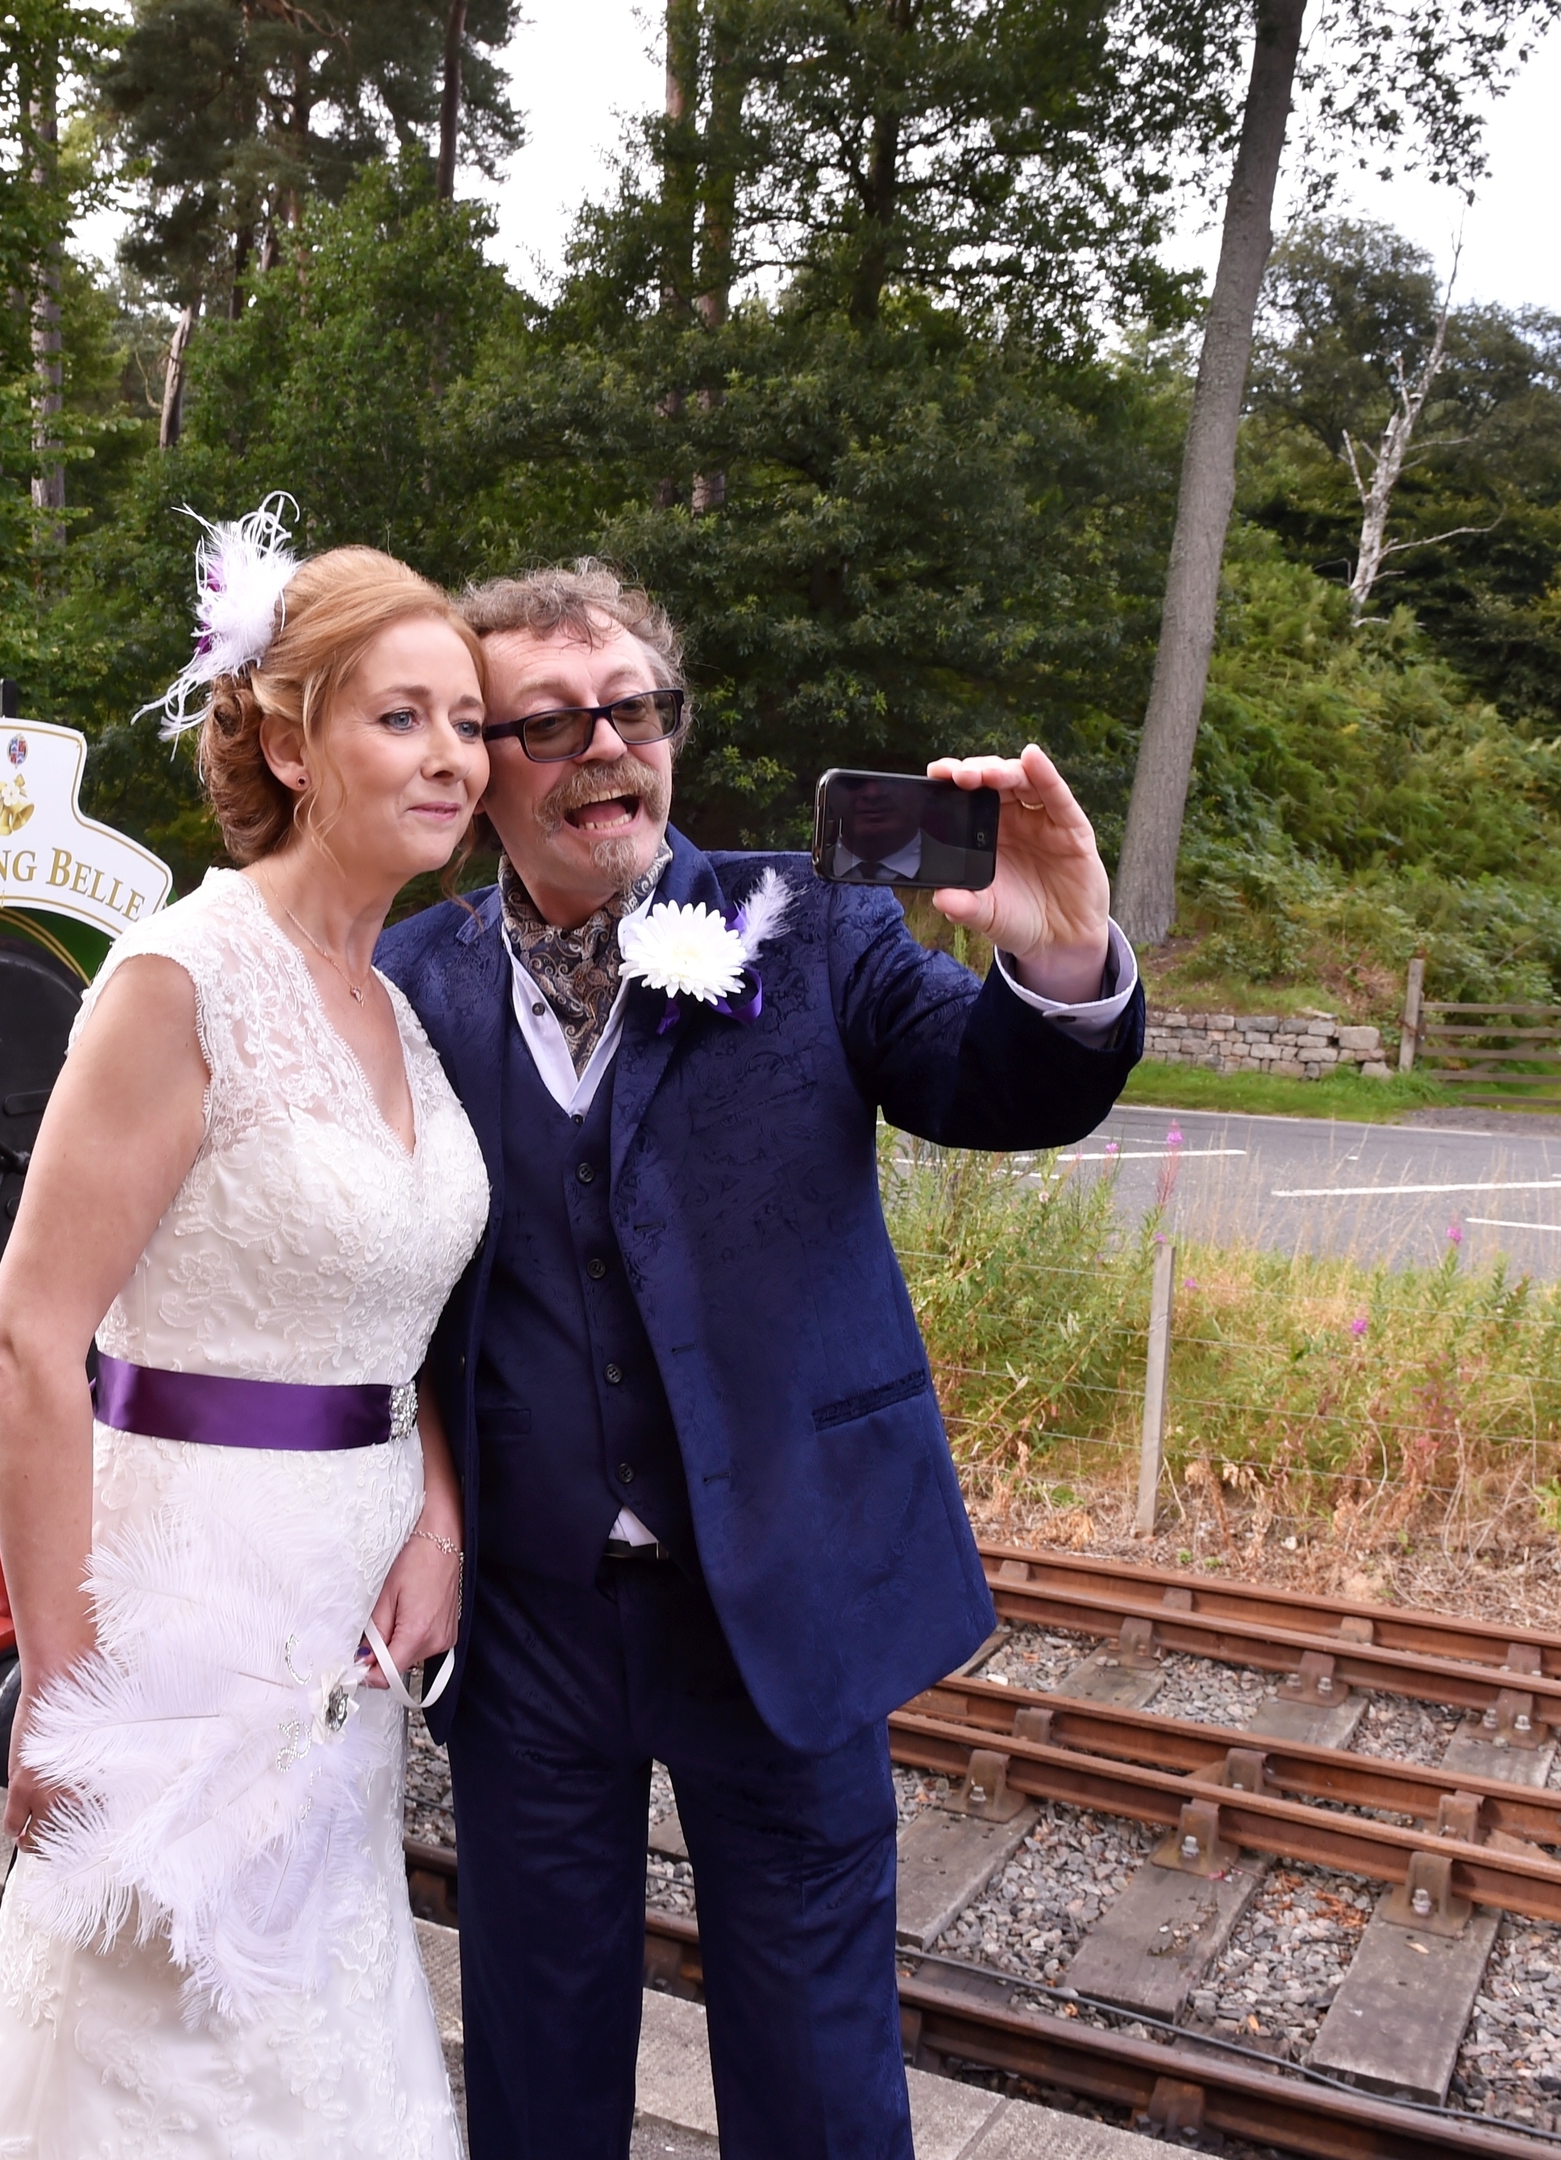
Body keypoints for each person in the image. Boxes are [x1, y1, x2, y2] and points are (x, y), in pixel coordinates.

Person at [378, 561, 1144, 2160]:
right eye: (549, 723)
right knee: (535, 2029)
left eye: (633, 710)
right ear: (472, 762)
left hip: (784, 1589)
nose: (607, 748)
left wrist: (1058, 959)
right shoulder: (409, 985)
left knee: (812, 2052)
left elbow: (992, 1085)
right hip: (527, 1619)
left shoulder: (811, 930)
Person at [0, 521, 490, 2159]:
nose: (455, 759)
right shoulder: (181, 974)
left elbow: (396, 1313)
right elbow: (26, 1342)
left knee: (315, 2037)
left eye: (470, 722)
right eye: (403, 717)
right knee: (157, 2056)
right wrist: (74, 1703)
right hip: (188, 1625)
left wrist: (435, 1510)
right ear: (289, 741)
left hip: (348, 1635)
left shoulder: (399, 1001)